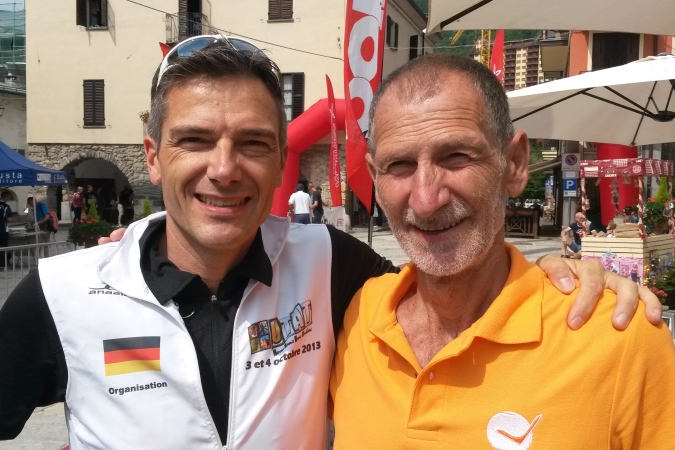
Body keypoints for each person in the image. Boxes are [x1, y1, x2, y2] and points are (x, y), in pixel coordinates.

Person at [0, 40, 658, 448]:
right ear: (152, 156)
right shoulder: (65, 293)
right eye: (194, 140)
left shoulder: (332, 268)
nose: (223, 169)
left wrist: (562, 271)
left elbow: (455, 276)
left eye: (253, 143)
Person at [329, 54, 675, 448]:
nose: (425, 201)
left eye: (456, 157)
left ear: (514, 164)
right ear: (375, 180)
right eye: (399, 165)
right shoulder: (357, 318)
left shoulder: (621, 339)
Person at [0, 191, 14, 267]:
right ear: (6, 196)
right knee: (3, 247)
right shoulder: (5, 207)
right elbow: (10, 219)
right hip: (3, 230)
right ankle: (2, 265)